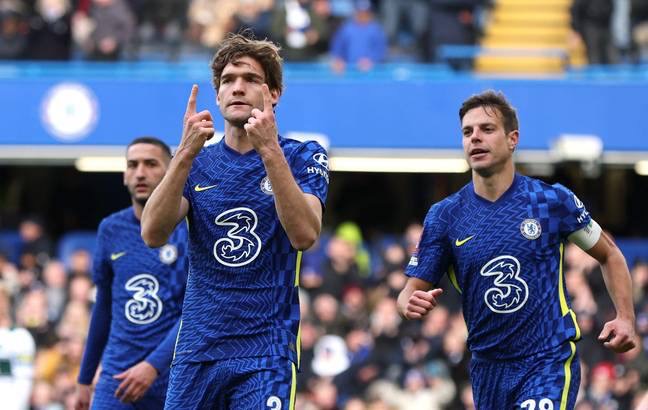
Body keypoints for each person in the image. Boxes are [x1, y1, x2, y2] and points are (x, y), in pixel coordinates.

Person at [397, 90, 636, 409]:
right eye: (467, 132)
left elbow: (610, 254)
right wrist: (408, 303)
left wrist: (625, 318)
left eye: (487, 129)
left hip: (547, 360)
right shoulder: (445, 216)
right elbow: (409, 291)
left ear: (513, 139)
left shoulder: (550, 201)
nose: (475, 137)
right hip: (488, 370)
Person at [140, 32, 329, 409]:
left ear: (273, 93)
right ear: (217, 96)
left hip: (266, 352)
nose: (237, 88)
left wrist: (269, 150)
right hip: (197, 351)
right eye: (228, 80)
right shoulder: (197, 163)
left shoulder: (302, 155)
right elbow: (152, 233)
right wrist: (183, 154)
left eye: (250, 79)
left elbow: (305, 235)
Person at [74, 137, 188, 410]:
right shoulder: (111, 229)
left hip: (173, 377)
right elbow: (103, 306)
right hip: (117, 377)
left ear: (171, 171)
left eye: (151, 164)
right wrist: (85, 377)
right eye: (132, 165)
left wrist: (153, 365)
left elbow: (197, 310)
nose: (140, 173)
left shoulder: (188, 229)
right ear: (124, 175)